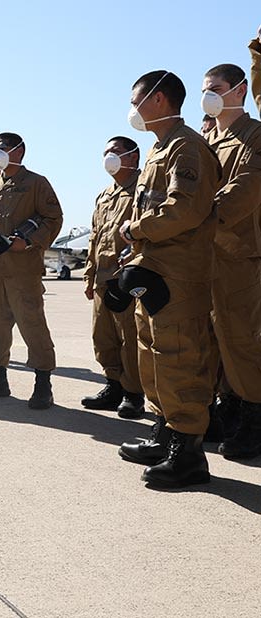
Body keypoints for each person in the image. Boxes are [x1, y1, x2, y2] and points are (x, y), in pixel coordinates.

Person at [116, 70, 221, 488]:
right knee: (153, 355)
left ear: (158, 100)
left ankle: (189, 453)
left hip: (180, 274)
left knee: (180, 359)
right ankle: (164, 432)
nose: (133, 109)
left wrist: (136, 229)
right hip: (155, 270)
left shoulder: (187, 148)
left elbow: (185, 210)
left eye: (136, 99)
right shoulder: (160, 150)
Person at [0, 133, 62, 409]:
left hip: (24, 269)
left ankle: (43, 383)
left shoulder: (36, 183)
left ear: (19, 151)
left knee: (32, 325)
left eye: (3, 148)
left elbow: (54, 218)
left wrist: (29, 240)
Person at [200, 62, 261, 460]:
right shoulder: (209, 141)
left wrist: (190, 218)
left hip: (242, 254)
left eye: (217, 88)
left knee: (243, 340)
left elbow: (243, 191)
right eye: (206, 88)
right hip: (205, 255)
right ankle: (229, 409)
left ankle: (255, 419)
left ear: (239, 90)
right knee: (213, 338)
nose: (209, 95)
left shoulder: (255, 136)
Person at [81, 137, 144, 419]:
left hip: (127, 279)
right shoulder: (105, 195)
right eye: (106, 151)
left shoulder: (143, 190)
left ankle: (134, 394)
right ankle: (113, 386)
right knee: (103, 337)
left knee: (129, 338)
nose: (109, 156)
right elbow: (95, 237)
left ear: (133, 157)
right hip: (102, 280)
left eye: (116, 152)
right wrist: (89, 275)